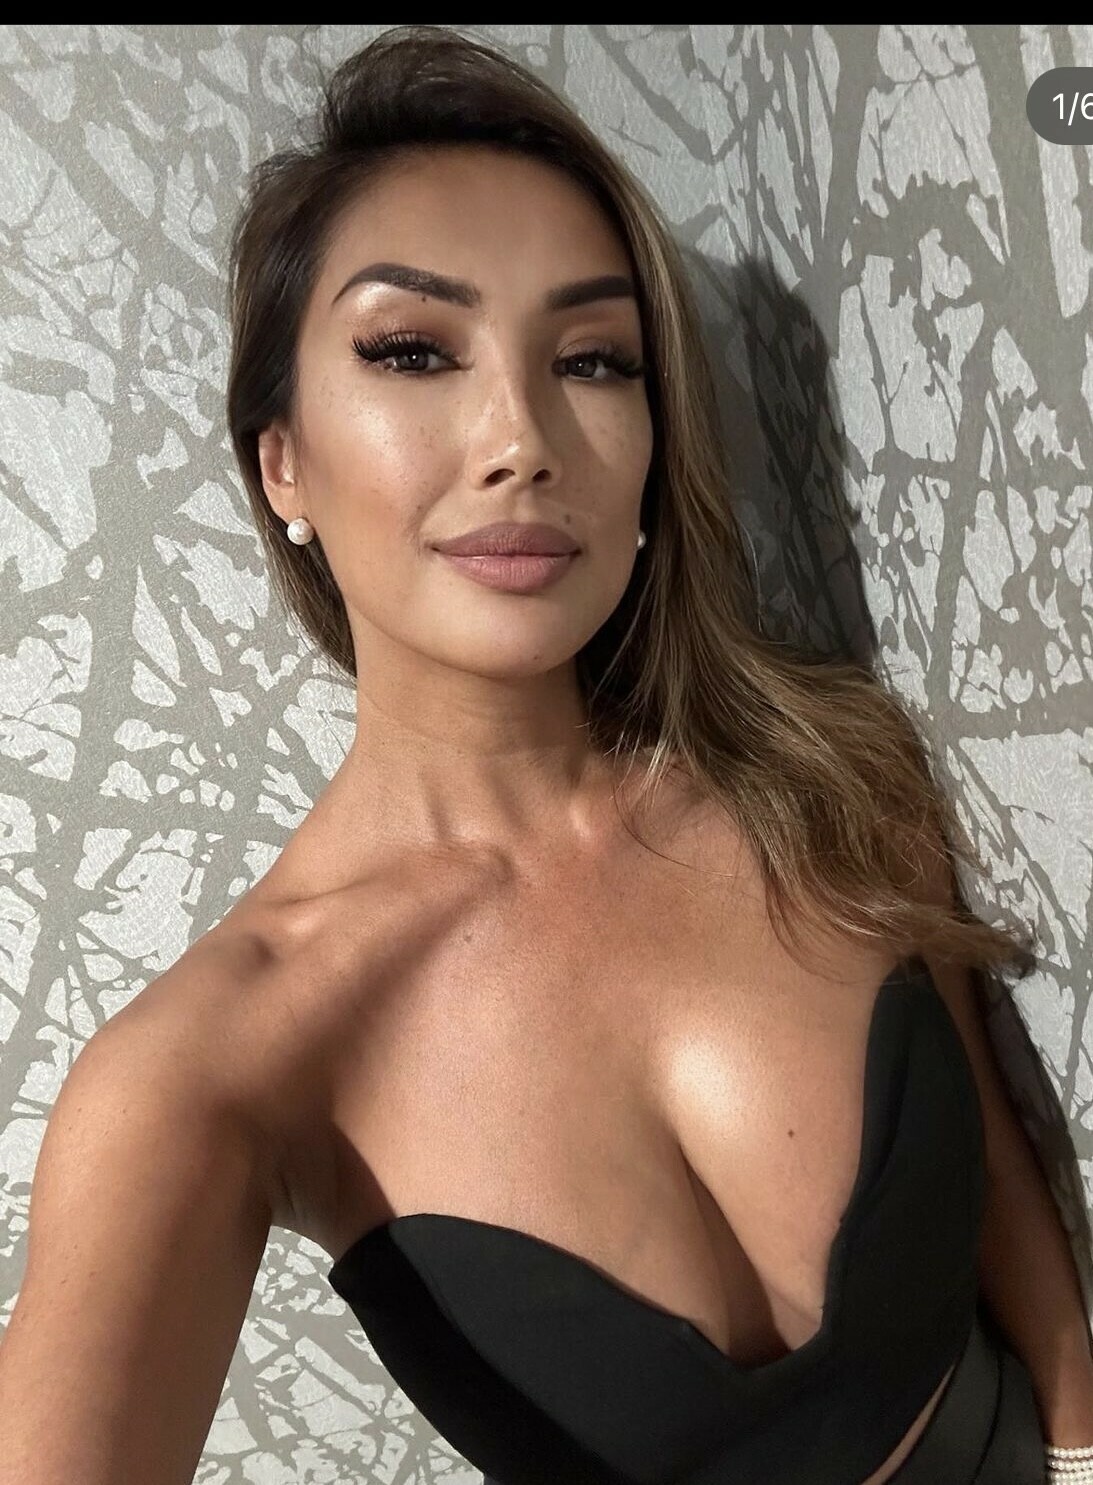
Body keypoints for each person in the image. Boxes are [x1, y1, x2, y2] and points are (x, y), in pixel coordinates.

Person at [0, 23, 1088, 1485]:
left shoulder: (823, 771)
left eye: (591, 359)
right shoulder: (217, 1066)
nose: (521, 438)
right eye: (411, 351)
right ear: (283, 462)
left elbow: (1008, 1197)